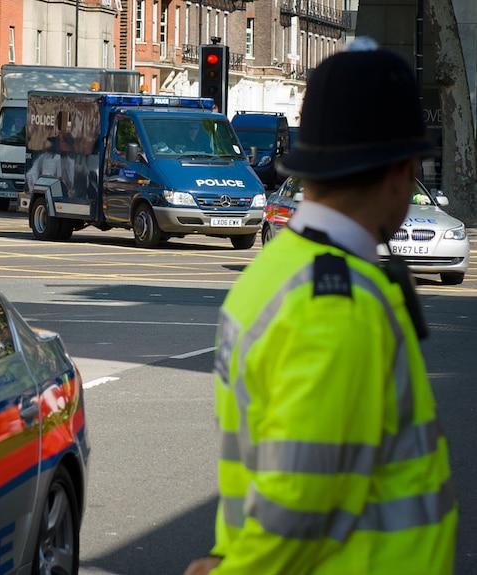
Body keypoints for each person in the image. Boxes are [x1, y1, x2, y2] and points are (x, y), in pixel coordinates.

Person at [184, 40, 457, 575]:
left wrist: (226, 557)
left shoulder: (275, 268)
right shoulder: (339, 305)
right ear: (401, 172)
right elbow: (300, 503)